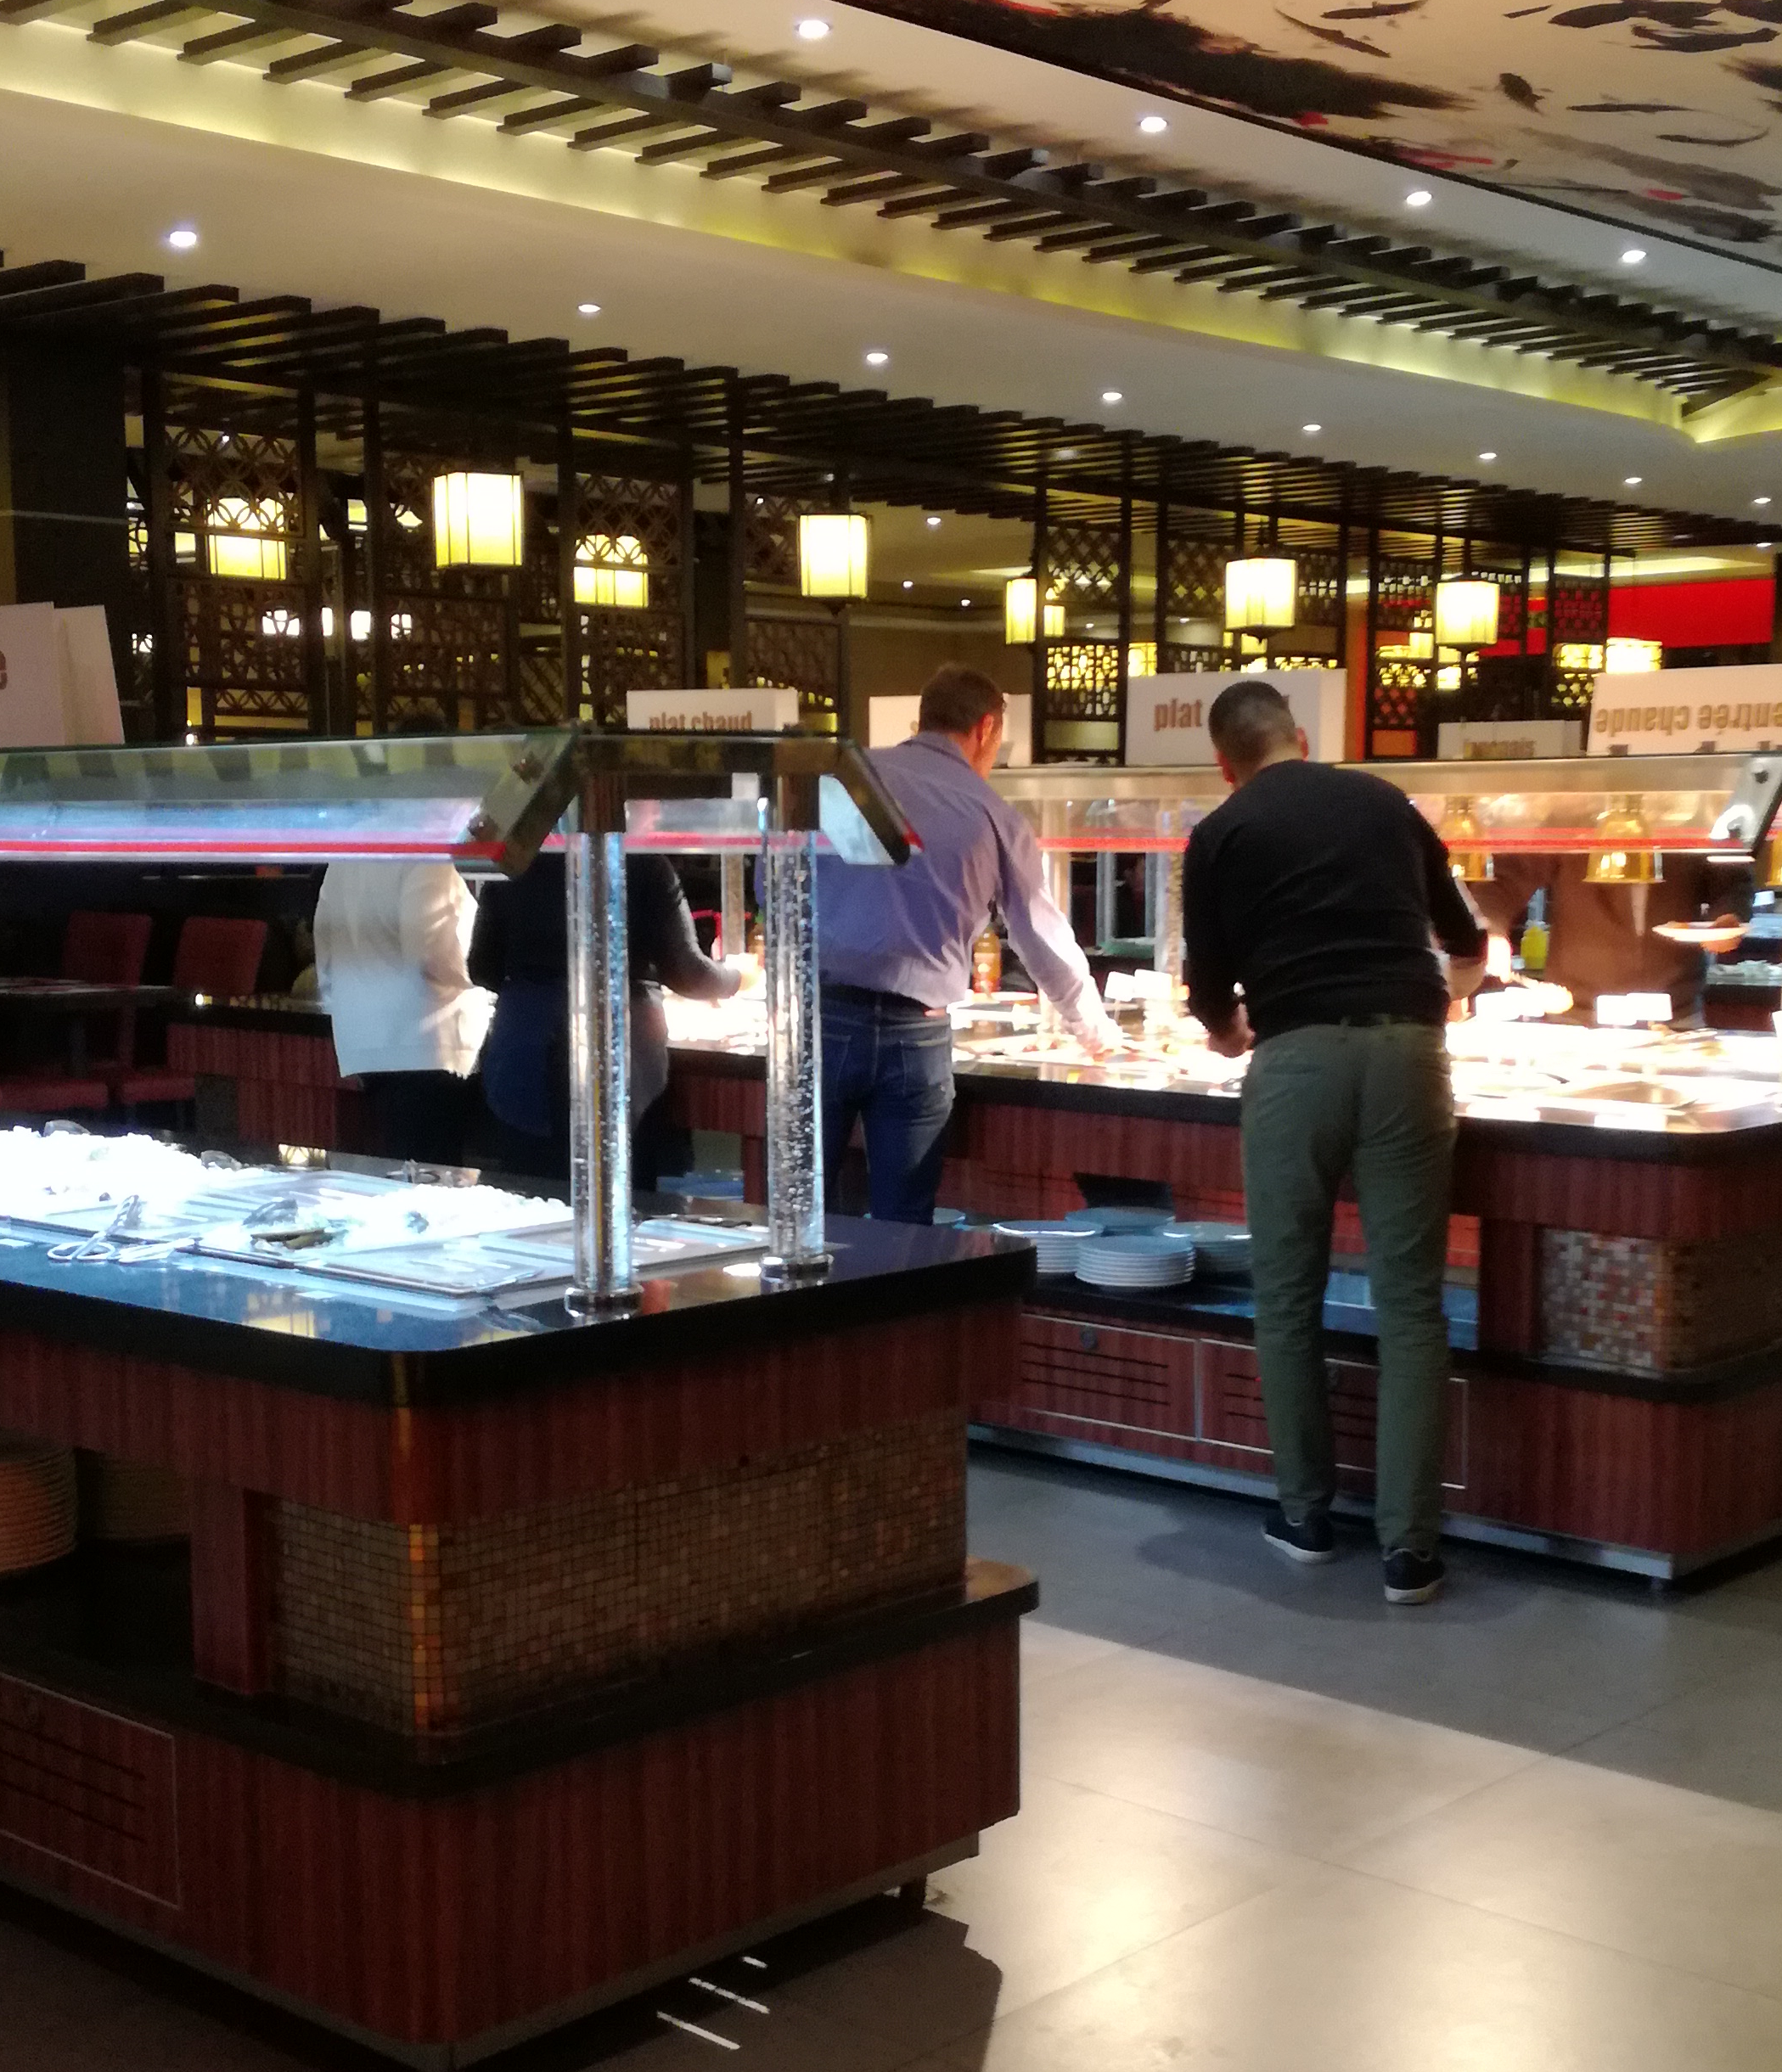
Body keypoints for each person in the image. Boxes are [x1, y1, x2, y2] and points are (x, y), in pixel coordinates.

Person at [1183, 679, 1485, 1606]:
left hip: (1296, 1061)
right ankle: (1410, 1554)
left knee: (1286, 1295)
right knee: (1411, 1303)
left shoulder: (1221, 831)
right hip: (1408, 1056)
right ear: (1302, 738)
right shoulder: (1385, 801)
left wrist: (1231, 1033)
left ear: (1225, 764)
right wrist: (1451, 996)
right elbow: (1465, 941)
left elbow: (1208, 989)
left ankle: (1306, 1518)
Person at [814, 663, 1117, 1223]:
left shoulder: (843, 781)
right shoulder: (992, 814)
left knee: (796, 1214)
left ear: (922, 718)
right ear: (986, 728)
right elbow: (1040, 937)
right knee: (904, 1227)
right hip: (916, 1034)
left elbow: (773, 882)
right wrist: (1094, 1031)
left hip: (823, 1019)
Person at [471, 847, 741, 1191]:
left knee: (531, 1196)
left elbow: (481, 967)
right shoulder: (644, 865)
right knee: (620, 1196)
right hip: (622, 1056)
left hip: (524, 1050)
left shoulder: (516, 861)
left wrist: (533, 983)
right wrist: (736, 977)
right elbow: (687, 974)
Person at [312, 856, 489, 1165]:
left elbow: (325, 954)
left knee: (395, 1167)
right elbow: (427, 955)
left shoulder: (344, 860)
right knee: (430, 1176)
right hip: (426, 1043)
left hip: (363, 1041)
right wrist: (477, 984)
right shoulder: (426, 858)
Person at [1472, 847, 1751, 1022]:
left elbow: (1732, 877)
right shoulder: (1576, 810)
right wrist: (1491, 931)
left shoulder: (1693, 806)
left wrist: (1728, 918)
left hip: (1674, 1014)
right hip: (1578, 1016)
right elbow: (1504, 879)